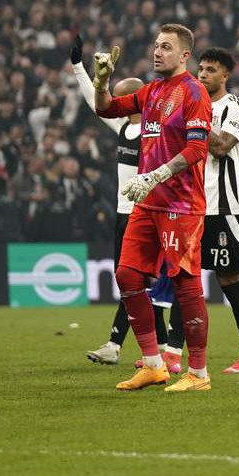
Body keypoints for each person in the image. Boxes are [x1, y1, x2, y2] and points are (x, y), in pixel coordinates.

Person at [93, 23, 214, 392]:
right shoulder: (152, 91)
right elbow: (106, 109)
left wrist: (156, 175)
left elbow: (197, 148)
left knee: (185, 284)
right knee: (127, 275)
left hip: (181, 203)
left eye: (166, 47)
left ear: (185, 55)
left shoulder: (194, 92)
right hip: (147, 202)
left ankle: (198, 374)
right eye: (156, 45)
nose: (157, 52)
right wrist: (101, 82)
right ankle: (153, 364)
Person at [74, 36, 178, 372]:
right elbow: (94, 101)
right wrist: (78, 67)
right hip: (123, 213)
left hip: (145, 214)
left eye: (120, 97)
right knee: (135, 282)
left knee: (132, 280)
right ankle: (162, 348)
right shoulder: (122, 127)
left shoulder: (155, 131)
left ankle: (114, 344)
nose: (114, 101)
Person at [196, 46, 239, 374]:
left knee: (228, 278)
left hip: (224, 206)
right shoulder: (191, 107)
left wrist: (195, 119)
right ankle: (171, 354)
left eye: (210, 70)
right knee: (184, 277)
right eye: (200, 69)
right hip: (190, 206)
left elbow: (221, 147)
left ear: (225, 75)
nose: (203, 74)